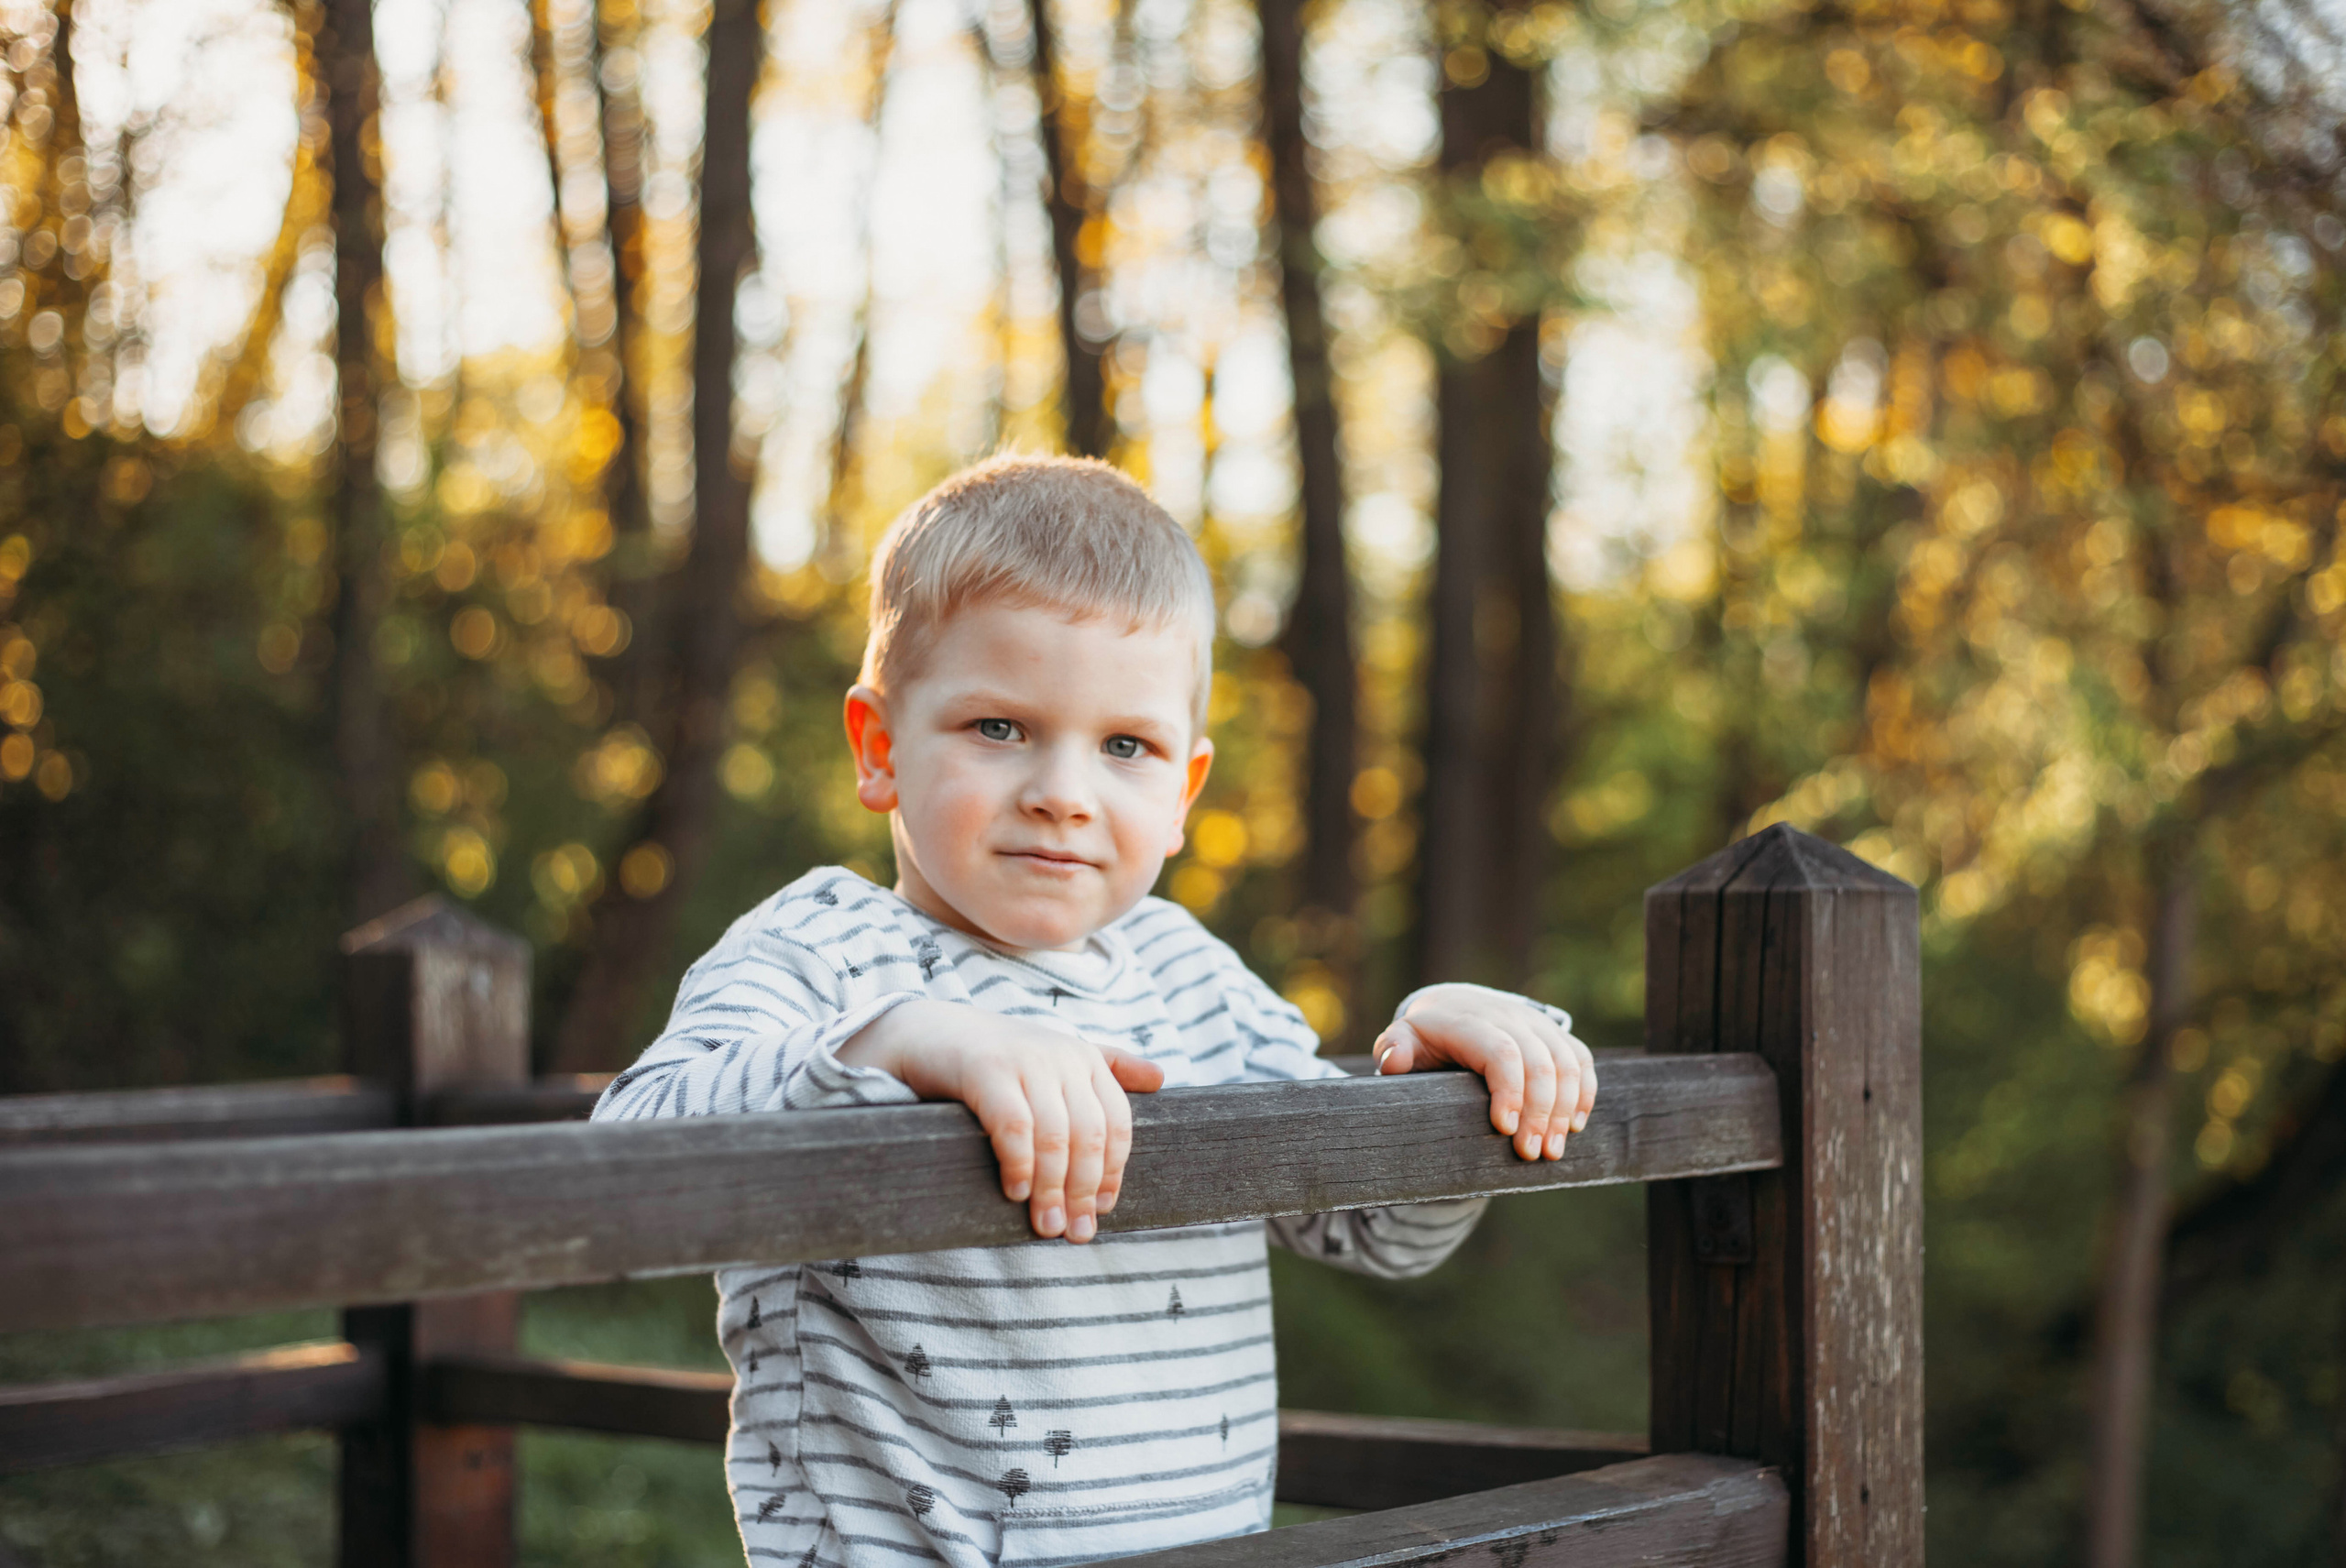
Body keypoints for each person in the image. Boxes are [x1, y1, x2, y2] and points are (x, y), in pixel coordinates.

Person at [592, 455, 1596, 1568]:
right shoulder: (824, 950)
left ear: (1183, 793)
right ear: (879, 748)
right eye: (999, 728)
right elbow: (634, 1152)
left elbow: (1370, 1228)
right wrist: (901, 1041)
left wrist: (1447, 1072)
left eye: (1125, 746)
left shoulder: (1187, 972)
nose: (1063, 791)